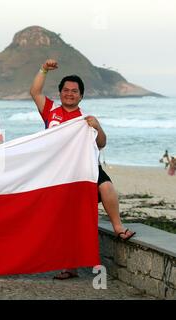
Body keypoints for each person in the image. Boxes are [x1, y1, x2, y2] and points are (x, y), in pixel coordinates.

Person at [30, 59, 136, 280]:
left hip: (83, 172)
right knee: (67, 221)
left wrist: (98, 126)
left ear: (81, 95)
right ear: (60, 93)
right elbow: (35, 91)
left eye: (74, 91)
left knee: (106, 185)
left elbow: (101, 144)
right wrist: (44, 70)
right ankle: (69, 267)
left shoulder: (85, 119)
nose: (70, 94)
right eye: (66, 90)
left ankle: (118, 228)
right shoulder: (50, 111)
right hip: (58, 175)